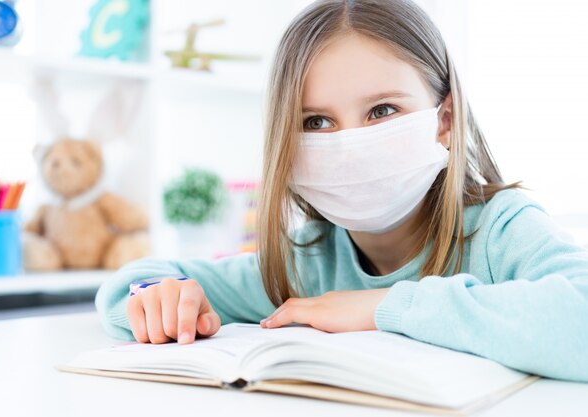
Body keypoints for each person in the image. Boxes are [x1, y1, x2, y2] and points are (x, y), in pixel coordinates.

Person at [96, 0, 588, 382]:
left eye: (381, 111)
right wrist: (156, 300)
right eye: (316, 121)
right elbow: (131, 285)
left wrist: (383, 306)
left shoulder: (502, 229)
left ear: (445, 120)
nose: (350, 144)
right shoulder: (306, 261)